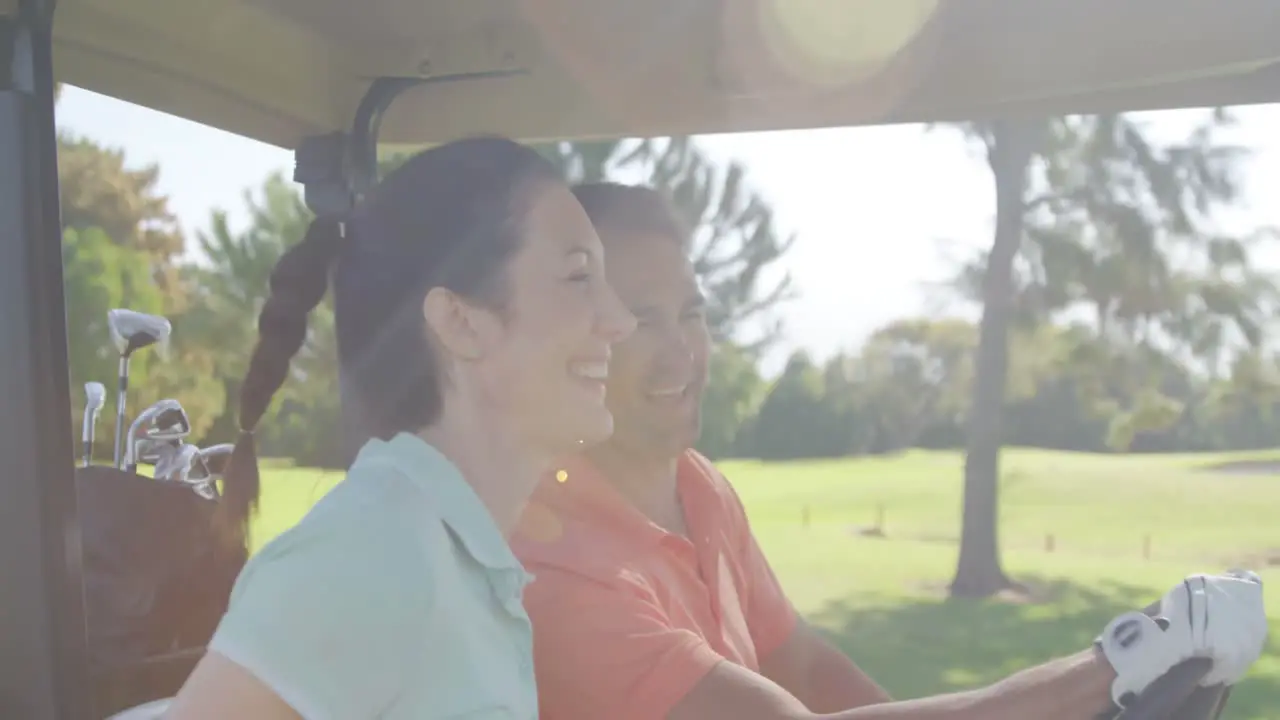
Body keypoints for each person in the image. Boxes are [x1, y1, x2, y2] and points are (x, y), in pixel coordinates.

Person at [511, 182, 1269, 720]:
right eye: (644, 320)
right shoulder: (553, 566)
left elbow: (804, 666)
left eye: (693, 313)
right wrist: (1116, 667)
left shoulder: (700, 488)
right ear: (586, 333)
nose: (682, 351)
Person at [166, 138, 635, 719]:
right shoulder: (374, 550)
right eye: (579, 276)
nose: (620, 319)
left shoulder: (451, 553)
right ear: (460, 323)